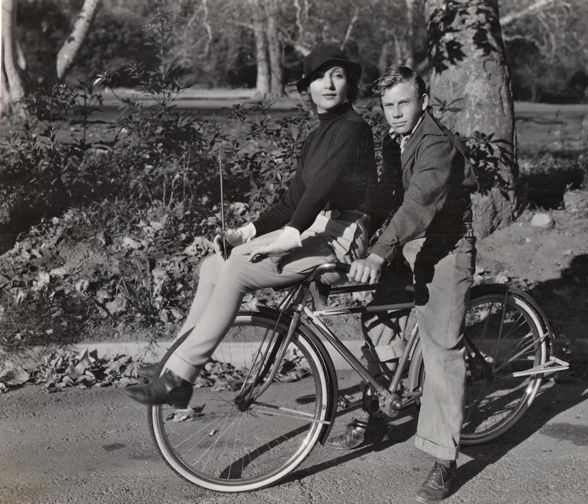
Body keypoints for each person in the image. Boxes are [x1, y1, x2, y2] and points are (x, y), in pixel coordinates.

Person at [124, 44, 377, 408]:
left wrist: (292, 233)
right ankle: (172, 364)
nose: (329, 83)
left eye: (337, 75)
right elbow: (294, 200)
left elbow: (325, 186)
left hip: (344, 237)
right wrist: (244, 233)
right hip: (317, 228)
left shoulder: (352, 129)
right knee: (214, 265)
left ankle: (182, 376)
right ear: (307, 85)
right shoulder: (318, 135)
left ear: (348, 82)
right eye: (320, 76)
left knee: (239, 269)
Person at [328, 66, 476, 502]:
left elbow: (419, 203)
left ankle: (443, 460)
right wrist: (354, 228)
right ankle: (384, 405)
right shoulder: (397, 139)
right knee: (374, 317)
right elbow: (389, 194)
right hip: (407, 242)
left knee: (442, 349)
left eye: (403, 103)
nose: (394, 113)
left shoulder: (435, 143)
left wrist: (378, 253)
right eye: (388, 105)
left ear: (423, 102)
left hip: (445, 246)